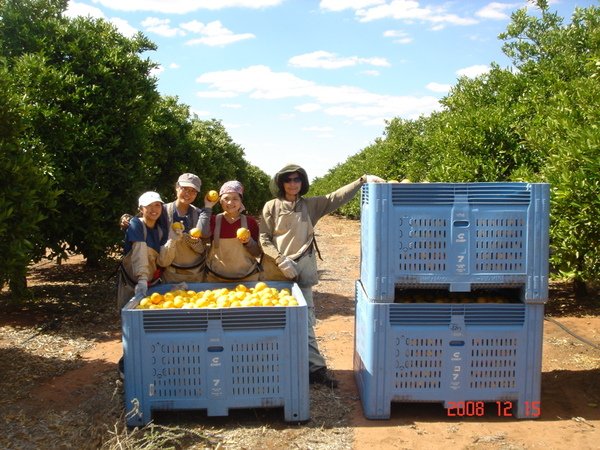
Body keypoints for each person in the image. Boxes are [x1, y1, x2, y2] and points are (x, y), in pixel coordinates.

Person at [259, 164, 384, 388]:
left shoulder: (310, 205)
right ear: (281, 183)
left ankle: (315, 369)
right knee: (277, 321)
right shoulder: (272, 207)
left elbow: (335, 197)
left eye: (297, 179)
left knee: (305, 321)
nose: (293, 183)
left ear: (302, 182)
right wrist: (279, 259)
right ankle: (279, 366)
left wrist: (362, 179)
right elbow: (264, 238)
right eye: (288, 180)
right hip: (278, 271)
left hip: (303, 270)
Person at [201, 180, 262, 282]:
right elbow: (202, 235)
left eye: (235, 199)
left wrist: (248, 241)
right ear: (220, 201)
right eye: (226, 199)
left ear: (241, 201)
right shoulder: (213, 220)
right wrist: (208, 206)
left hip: (246, 279)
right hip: (216, 279)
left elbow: (257, 253)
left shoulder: (250, 222)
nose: (230, 202)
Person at [116, 191, 167, 309]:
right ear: (140, 208)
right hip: (131, 282)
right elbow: (139, 250)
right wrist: (142, 279)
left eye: (157, 205)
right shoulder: (135, 224)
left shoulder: (160, 230)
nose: (153, 209)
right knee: (129, 314)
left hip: (152, 283)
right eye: (148, 205)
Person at [157, 173, 211, 283]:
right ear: (177, 187)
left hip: (195, 273)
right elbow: (144, 221)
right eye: (184, 188)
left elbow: (204, 241)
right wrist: (127, 219)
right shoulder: (162, 211)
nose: (188, 194)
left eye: (193, 191)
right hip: (170, 272)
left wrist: (196, 243)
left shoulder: (198, 214)